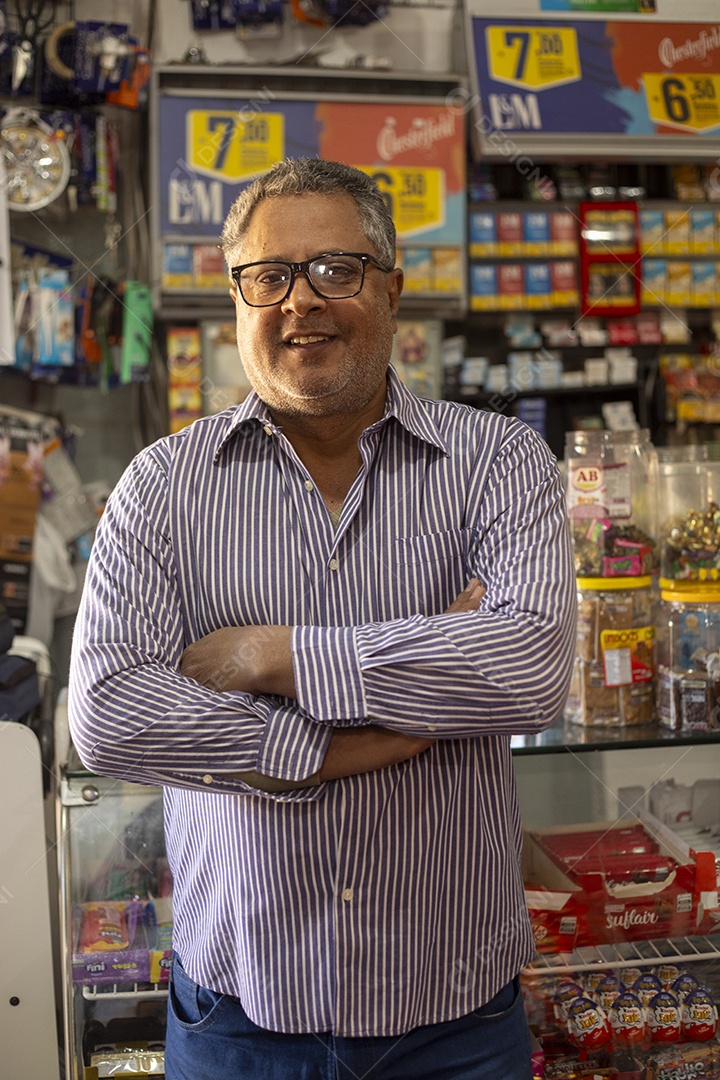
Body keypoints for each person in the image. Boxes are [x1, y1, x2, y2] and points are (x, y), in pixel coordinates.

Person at [68, 157, 576, 1080]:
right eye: (269, 276)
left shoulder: (499, 462)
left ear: (391, 287)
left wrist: (271, 654)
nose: (301, 300)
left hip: (453, 1015)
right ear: (238, 301)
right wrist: (347, 744)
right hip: (240, 1015)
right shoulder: (161, 486)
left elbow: (528, 668)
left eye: (335, 269)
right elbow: (107, 714)